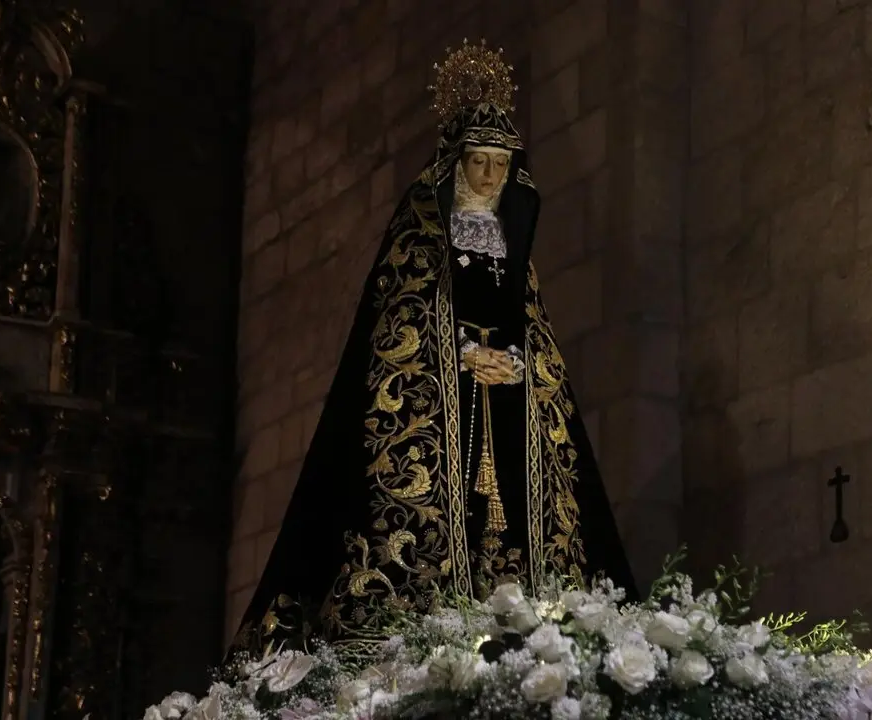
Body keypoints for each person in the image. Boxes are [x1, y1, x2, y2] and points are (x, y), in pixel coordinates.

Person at [231, 40, 635, 655]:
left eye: (501, 163)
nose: (491, 176)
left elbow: (531, 328)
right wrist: (466, 357)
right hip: (442, 405)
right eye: (479, 162)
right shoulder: (422, 232)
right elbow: (402, 320)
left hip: (509, 399)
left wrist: (518, 365)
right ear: (456, 163)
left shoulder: (512, 248)